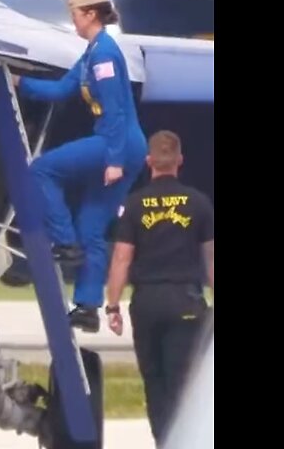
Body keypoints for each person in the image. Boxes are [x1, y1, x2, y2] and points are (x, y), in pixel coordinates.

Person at [13, 0, 149, 332]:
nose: (71, 20)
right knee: (92, 226)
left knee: (42, 170)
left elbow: (117, 110)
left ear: (90, 14)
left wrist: (115, 160)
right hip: (119, 144)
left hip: (116, 142)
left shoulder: (103, 55)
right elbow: (61, 90)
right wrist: (18, 83)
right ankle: (87, 306)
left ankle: (64, 241)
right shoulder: (91, 53)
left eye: (73, 14)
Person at [104, 130, 214, 448]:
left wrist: (112, 306)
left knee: (154, 382)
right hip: (186, 300)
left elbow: (122, 259)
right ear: (179, 161)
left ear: (148, 161)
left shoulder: (134, 205)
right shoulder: (199, 203)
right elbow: (211, 260)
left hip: (146, 302)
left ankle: (163, 441)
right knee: (183, 383)